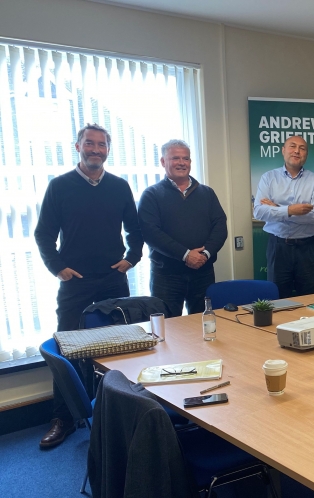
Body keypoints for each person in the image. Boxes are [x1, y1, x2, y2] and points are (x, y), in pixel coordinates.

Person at [34, 123, 143, 448]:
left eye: (102, 145)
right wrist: (58, 268)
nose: (96, 149)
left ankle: (123, 410)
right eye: (90, 144)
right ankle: (63, 418)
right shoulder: (60, 186)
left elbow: (136, 232)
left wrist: (131, 259)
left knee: (121, 347)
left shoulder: (120, 187)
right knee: (67, 348)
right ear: (78, 146)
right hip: (75, 283)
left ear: (108, 149)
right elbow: (43, 235)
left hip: (113, 280)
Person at [138, 140, 228, 315]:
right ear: (163, 162)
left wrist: (205, 254)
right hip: (166, 276)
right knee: (168, 329)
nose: (181, 163)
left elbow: (220, 226)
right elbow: (151, 233)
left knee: (204, 324)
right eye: (175, 158)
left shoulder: (207, 193)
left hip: (203, 272)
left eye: (185, 158)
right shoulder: (152, 195)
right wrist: (186, 255)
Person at [253, 136, 314, 296]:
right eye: (292, 146)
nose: (297, 151)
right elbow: (259, 211)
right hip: (278, 247)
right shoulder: (268, 178)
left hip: (308, 248)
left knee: (311, 299)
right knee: (277, 298)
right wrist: (290, 210)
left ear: (306, 154)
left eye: (302, 148)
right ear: (283, 150)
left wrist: (279, 209)